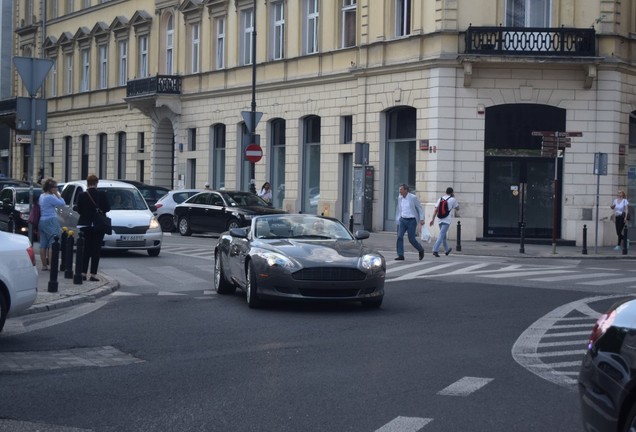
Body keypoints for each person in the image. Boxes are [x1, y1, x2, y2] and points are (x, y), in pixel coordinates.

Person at [77, 175, 111, 281]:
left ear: (87, 183)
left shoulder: (81, 195)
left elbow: (79, 210)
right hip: (98, 225)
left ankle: (83, 273)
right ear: (97, 183)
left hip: (85, 225)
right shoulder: (102, 194)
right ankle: (93, 274)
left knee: (86, 249)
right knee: (96, 250)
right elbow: (107, 209)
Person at [38, 178, 65, 271]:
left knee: (43, 244)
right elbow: (62, 203)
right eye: (55, 187)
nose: (57, 188)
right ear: (51, 188)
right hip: (51, 220)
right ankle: (52, 266)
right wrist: (57, 194)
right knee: (53, 243)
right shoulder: (50, 197)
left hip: (42, 221)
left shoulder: (42, 196)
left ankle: (44, 265)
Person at [395, 183, 425, 261]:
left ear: (406, 190)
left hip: (411, 220)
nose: (400, 191)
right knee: (399, 236)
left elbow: (419, 208)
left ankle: (420, 249)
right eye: (399, 190)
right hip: (402, 219)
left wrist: (422, 219)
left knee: (411, 239)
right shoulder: (400, 198)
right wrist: (398, 218)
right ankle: (400, 255)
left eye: (401, 190)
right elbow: (399, 208)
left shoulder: (413, 198)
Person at [430, 187, 459, 257]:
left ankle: (446, 250)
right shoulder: (452, 199)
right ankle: (435, 249)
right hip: (446, 220)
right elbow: (457, 208)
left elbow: (435, 210)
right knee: (441, 235)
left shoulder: (440, 199)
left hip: (440, 219)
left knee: (443, 236)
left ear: (446, 192)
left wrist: (432, 219)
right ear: (452, 192)